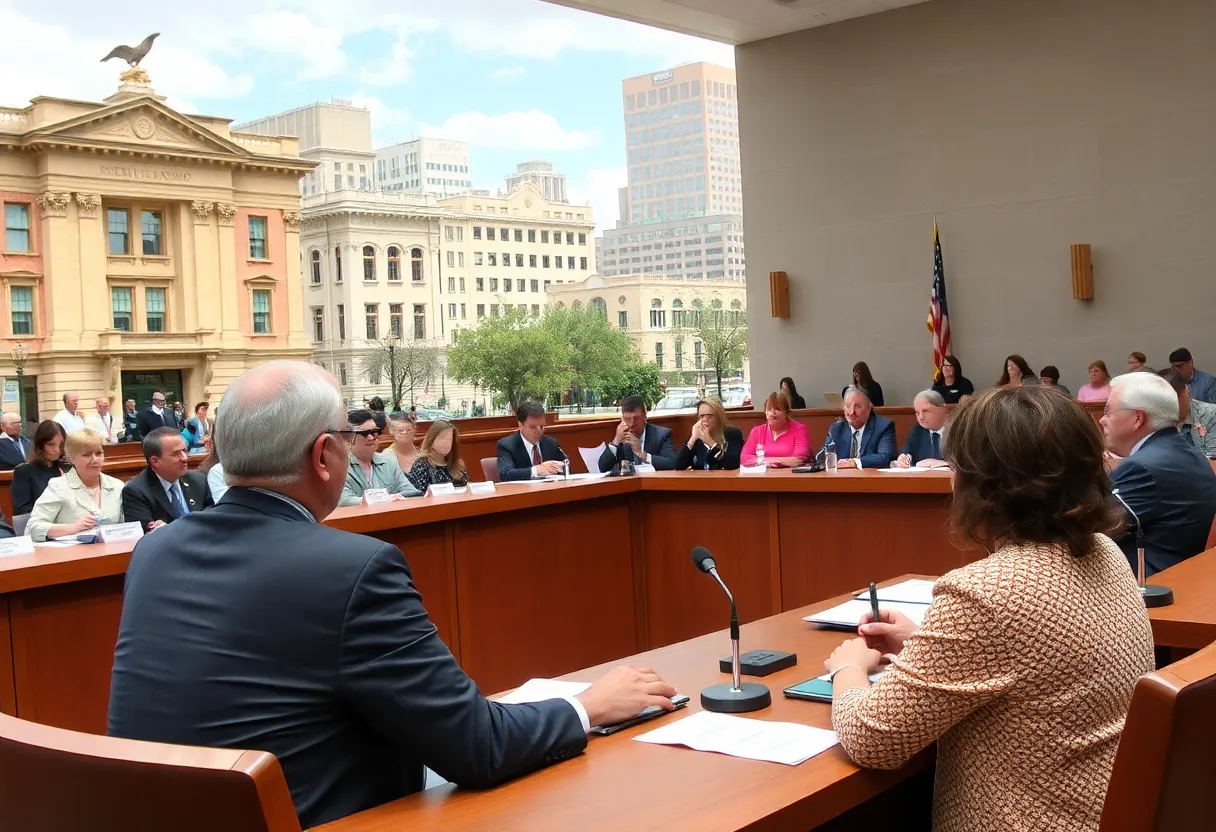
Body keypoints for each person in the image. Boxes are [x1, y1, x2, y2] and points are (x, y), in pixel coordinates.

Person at [107, 361, 677, 829]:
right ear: (323, 455)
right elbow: (476, 747)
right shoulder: (352, 568)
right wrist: (588, 706)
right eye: (352, 437)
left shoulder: (155, 555)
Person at [825, 386, 1155, 832]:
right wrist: (926, 641)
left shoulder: (986, 592)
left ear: (984, 484)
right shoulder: (1105, 552)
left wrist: (848, 667)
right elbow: (1040, 650)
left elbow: (874, 738)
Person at [1101, 372, 1216, 576]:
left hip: (1146, 588)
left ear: (1138, 418)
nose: (1102, 420)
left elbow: (1092, 529)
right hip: (1186, 576)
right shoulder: (1190, 453)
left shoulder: (1141, 469)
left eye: (1108, 412)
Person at [27, 428, 124, 542]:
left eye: (98, 453)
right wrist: (73, 527)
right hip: (72, 556)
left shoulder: (117, 486)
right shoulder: (58, 487)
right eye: (87, 455)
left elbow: (128, 527)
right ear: (72, 458)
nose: (95, 460)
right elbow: (32, 529)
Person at [121, 427, 215, 532]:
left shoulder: (198, 480)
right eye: (176, 454)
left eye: (184, 450)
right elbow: (143, 538)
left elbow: (212, 519)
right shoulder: (136, 491)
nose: (185, 458)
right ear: (155, 461)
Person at [339, 409, 420, 506]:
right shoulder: (339, 467)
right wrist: (385, 499)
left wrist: (391, 499)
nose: (371, 438)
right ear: (349, 437)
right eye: (364, 433)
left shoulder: (390, 461)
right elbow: (344, 501)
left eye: (374, 432)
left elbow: (411, 492)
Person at [823, 386, 897, 469]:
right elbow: (823, 457)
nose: (851, 412)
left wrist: (855, 462)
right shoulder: (836, 429)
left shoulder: (883, 426)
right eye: (848, 406)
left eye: (857, 406)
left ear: (869, 409)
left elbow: (885, 457)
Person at [597, 396, 677, 472]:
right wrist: (615, 441)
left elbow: (672, 462)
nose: (631, 424)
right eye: (627, 419)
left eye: (636, 419)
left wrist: (641, 454)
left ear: (644, 415)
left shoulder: (662, 435)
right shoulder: (621, 437)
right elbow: (603, 468)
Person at [497, 401, 567, 481]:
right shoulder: (507, 445)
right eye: (533, 427)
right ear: (520, 425)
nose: (539, 431)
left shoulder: (551, 443)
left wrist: (561, 467)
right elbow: (505, 474)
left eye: (542, 426)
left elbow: (567, 468)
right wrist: (537, 470)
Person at [11, 421, 70, 516]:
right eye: (51, 444)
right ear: (40, 445)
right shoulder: (24, 471)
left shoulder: (66, 468)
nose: (57, 450)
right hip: (40, 525)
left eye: (61, 445)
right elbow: (22, 510)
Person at [740, 392, 810, 468]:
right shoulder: (757, 431)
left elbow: (798, 460)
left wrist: (764, 461)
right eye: (769, 409)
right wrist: (773, 461)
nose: (772, 414)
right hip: (762, 476)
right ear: (765, 413)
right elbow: (745, 458)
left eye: (777, 409)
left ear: (786, 413)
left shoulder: (799, 429)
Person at [1158, 368, 1216, 457]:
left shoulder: (1211, 413)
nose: (1168, 409)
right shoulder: (1153, 416)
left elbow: (1213, 458)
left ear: (1186, 391)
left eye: (1173, 402)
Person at [675, 398, 744, 471]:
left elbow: (733, 464)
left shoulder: (732, 434)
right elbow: (679, 466)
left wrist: (711, 443)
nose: (705, 420)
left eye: (709, 416)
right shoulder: (696, 437)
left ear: (719, 417)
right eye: (702, 416)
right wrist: (692, 439)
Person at [407, 421, 470, 492]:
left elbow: (468, 490)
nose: (446, 443)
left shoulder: (458, 465)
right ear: (431, 439)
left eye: (450, 439)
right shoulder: (421, 465)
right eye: (442, 438)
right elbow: (417, 497)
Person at [893, 390, 949, 469]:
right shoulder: (917, 431)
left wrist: (945, 463)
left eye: (926, 411)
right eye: (917, 413)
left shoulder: (959, 431)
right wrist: (903, 459)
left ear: (943, 409)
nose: (921, 417)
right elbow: (906, 453)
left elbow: (967, 463)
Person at [380, 411, 418, 478]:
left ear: (414, 429)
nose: (405, 433)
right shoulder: (386, 457)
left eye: (408, 430)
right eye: (400, 430)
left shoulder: (422, 453)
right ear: (392, 432)